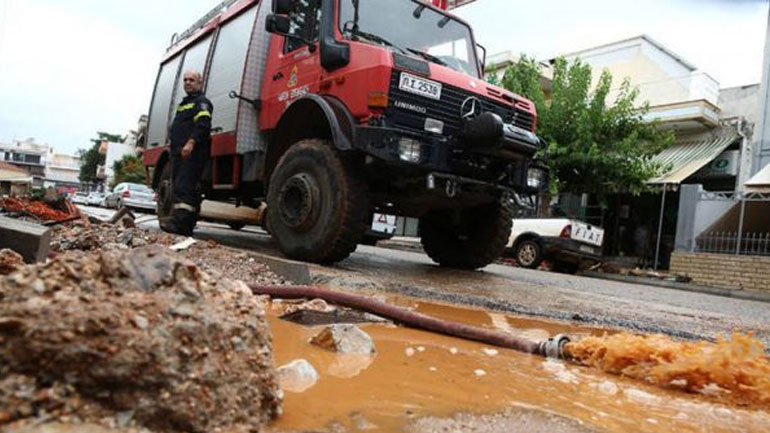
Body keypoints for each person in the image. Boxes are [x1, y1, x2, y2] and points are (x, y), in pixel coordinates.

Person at [161, 70, 213, 236]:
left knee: (184, 188)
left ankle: (179, 224)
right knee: (182, 187)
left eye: (191, 80)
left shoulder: (202, 102)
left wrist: (190, 143)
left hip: (192, 154)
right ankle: (186, 226)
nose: (187, 82)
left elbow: (204, 125)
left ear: (200, 83)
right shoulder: (184, 103)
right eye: (185, 80)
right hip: (179, 153)